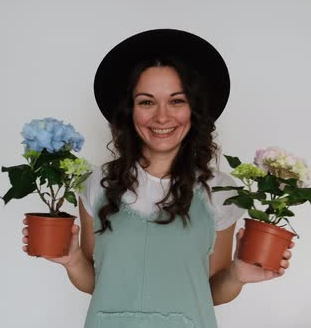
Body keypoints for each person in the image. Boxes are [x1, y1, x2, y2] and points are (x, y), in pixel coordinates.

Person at [21, 28, 294, 328]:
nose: (162, 117)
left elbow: (211, 290)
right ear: (130, 111)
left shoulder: (220, 189)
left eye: (177, 101)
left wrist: (237, 275)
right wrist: (72, 260)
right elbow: (97, 283)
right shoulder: (96, 184)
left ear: (193, 110)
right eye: (147, 102)